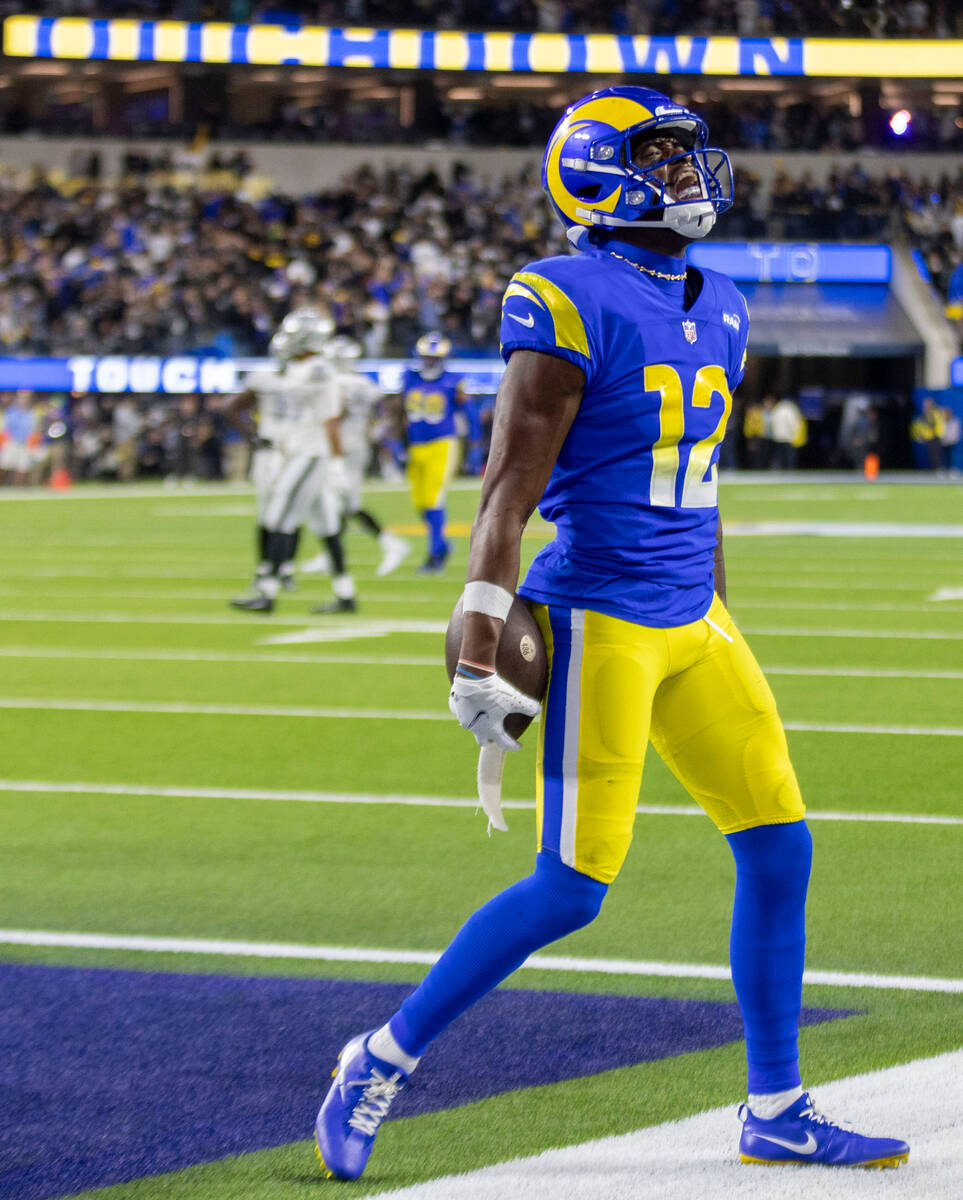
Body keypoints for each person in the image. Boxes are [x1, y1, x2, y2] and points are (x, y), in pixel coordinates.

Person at [314, 86, 909, 1179]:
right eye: (662, 160)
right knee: (573, 890)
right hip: (602, 616)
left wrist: (721, 603)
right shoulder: (561, 293)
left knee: (781, 846)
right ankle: (379, 1058)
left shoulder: (722, 300)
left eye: (689, 159)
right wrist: (483, 643)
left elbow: (707, 484)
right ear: (596, 170)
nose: (690, 177)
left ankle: (775, 1105)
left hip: (694, 618)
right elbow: (505, 489)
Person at [228, 308, 342, 613]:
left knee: (279, 518)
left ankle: (267, 590)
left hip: (309, 454)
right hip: (290, 453)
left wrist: (337, 463)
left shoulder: (319, 371)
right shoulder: (289, 373)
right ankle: (345, 594)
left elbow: (331, 420)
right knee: (324, 524)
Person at [300, 336, 410, 590]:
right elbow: (387, 406)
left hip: (340, 448)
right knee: (335, 503)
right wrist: (376, 429)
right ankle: (330, 554)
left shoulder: (333, 383)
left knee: (345, 503)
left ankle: (389, 542)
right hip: (357, 446)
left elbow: (335, 414)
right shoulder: (364, 383)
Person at [398, 332, 465, 573]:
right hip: (416, 446)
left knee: (434, 499)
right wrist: (398, 443)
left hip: (442, 444)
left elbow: (468, 413)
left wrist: (476, 445)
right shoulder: (409, 377)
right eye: (427, 357)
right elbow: (400, 413)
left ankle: (435, 555)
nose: (430, 362)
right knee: (420, 503)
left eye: (435, 357)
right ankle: (443, 544)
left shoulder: (453, 380)